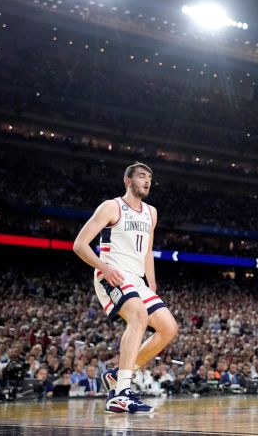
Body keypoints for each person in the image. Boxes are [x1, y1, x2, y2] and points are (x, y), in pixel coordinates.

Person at [73, 162, 179, 414]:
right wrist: (104, 268)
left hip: (138, 280)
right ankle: (121, 393)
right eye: (142, 176)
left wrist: (151, 282)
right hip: (112, 274)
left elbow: (148, 251)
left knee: (168, 329)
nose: (147, 181)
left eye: (150, 178)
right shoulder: (112, 206)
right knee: (139, 317)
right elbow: (79, 244)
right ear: (128, 181)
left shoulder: (151, 212)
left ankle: (117, 376)